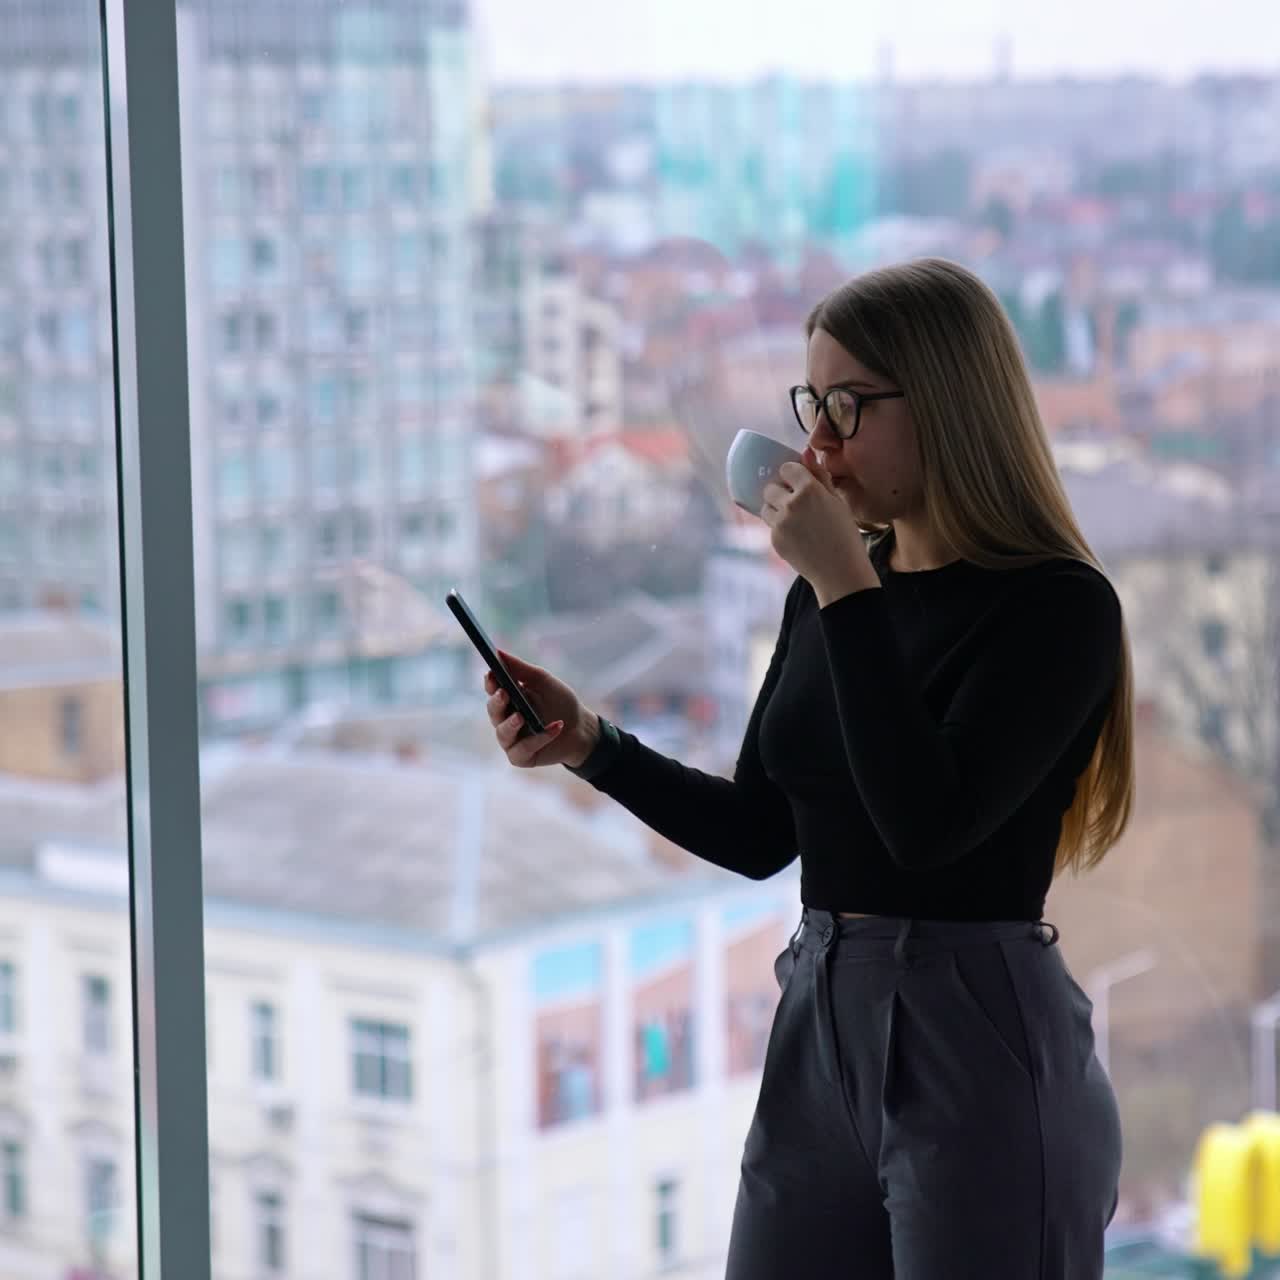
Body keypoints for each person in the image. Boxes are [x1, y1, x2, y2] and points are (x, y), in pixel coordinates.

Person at [480, 256, 1134, 1279]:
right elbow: (759, 833)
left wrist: (841, 582)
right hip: (817, 1013)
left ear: (949, 405)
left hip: (975, 1033)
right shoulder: (831, 599)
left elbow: (924, 825)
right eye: (809, 401)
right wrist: (590, 744)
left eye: (846, 404)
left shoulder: (1055, 606)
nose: (815, 439)